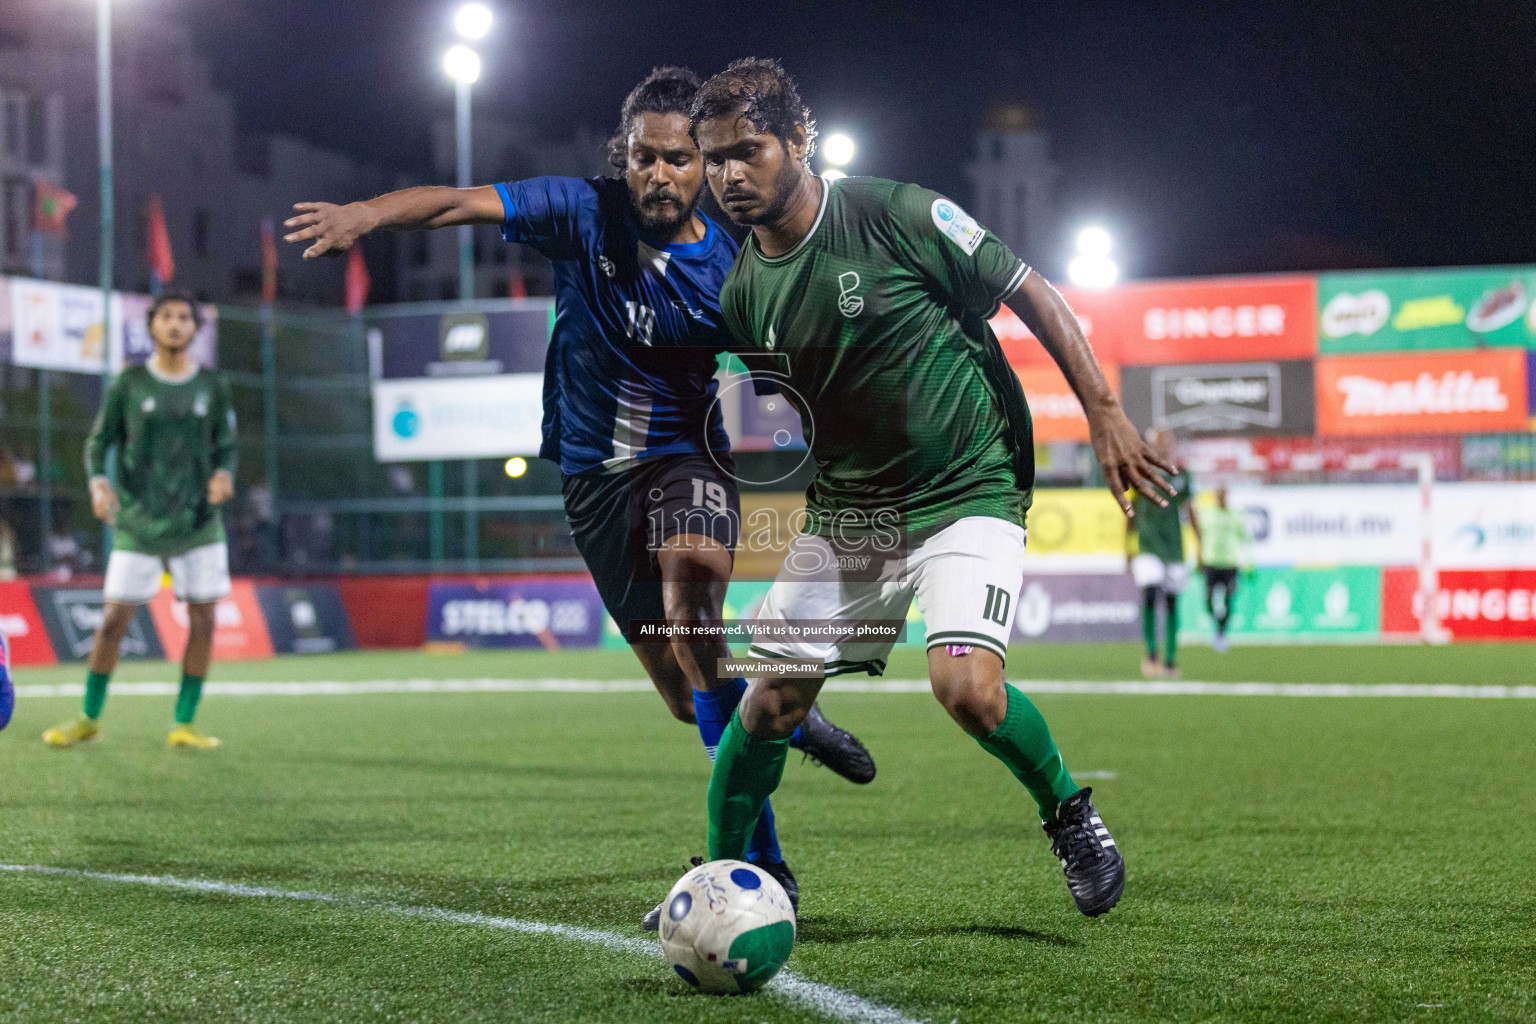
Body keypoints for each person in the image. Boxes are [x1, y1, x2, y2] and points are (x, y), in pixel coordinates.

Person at [283, 67, 876, 917]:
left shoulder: (735, 265)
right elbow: (459, 203)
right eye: (645, 157)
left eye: (679, 159)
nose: (660, 174)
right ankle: (773, 713)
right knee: (684, 696)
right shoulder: (580, 210)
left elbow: (796, 365)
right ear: (623, 157)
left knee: (695, 615)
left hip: (687, 460)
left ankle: (761, 864)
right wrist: (367, 215)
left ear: (702, 166)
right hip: (593, 479)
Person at [685, 58, 1176, 919]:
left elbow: (1032, 290)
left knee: (966, 688)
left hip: (965, 489)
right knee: (767, 705)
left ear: (799, 141)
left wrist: (1104, 413)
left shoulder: (892, 213)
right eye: (715, 157)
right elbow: (792, 419)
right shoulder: (742, 289)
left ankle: (1069, 813)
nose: (729, 175)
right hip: (851, 515)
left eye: (749, 151)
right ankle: (722, 881)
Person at [43, 291, 236, 750]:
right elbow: (97, 444)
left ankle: (183, 724)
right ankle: (88, 717)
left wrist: (224, 473)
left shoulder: (212, 385)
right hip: (138, 520)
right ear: (151, 326)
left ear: (195, 328)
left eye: (184, 317)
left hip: (198, 523)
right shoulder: (128, 384)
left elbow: (226, 445)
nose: (174, 324)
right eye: (166, 316)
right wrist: (97, 483)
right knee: (112, 621)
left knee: (204, 620)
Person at [1126, 429, 1200, 679]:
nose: (1162, 447)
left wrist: (1200, 544)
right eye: (1157, 443)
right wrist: (1127, 544)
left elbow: (1190, 510)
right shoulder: (1138, 471)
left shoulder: (1181, 476)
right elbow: (1131, 509)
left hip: (1174, 547)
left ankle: (1170, 659)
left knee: (1171, 601)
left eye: (1166, 443)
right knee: (1150, 591)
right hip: (1147, 544)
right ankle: (1150, 653)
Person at [1198, 485, 1250, 652]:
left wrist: (1248, 561)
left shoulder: (1236, 515)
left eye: (1223, 495)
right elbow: (1199, 537)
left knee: (1229, 598)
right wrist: (1198, 558)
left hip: (1229, 563)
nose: (1221, 498)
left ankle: (1221, 632)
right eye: (1218, 495)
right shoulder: (1206, 514)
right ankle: (1217, 626)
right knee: (1208, 600)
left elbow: (1245, 538)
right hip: (1211, 561)